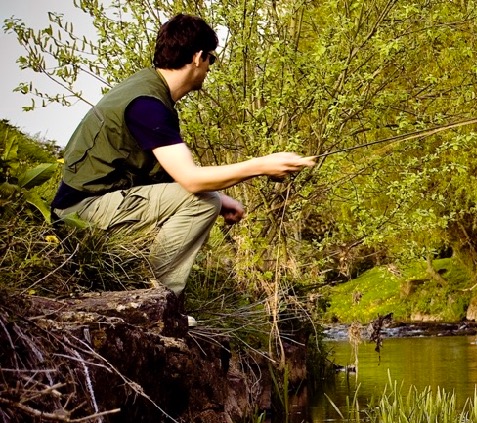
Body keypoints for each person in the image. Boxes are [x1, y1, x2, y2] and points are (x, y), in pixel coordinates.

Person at [51, 13, 314, 295]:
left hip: (85, 208)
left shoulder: (146, 89)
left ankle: (140, 288)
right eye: (212, 59)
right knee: (201, 202)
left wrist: (223, 197)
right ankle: (156, 297)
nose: (211, 67)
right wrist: (261, 165)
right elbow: (190, 180)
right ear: (198, 57)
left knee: (208, 198)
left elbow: (167, 173)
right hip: (81, 214)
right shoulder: (147, 105)